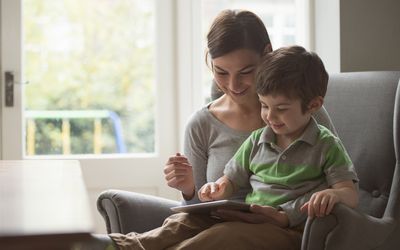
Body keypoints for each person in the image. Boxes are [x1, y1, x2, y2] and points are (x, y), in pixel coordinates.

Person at [91, 9, 338, 250]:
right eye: (221, 72)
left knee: (226, 233)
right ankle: (121, 245)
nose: (233, 85)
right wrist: (189, 189)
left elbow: (336, 185)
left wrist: (286, 214)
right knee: (183, 222)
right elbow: (198, 206)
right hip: (220, 222)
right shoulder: (202, 125)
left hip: (282, 228)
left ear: (267, 54)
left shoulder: (302, 112)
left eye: (246, 72)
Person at [198, 45, 359, 229]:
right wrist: (217, 189)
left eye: (281, 109)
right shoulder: (256, 140)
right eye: (264, 106)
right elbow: (231, 180)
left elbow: (350, 194)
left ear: (313, 105)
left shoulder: (326, 145)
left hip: (284, 229)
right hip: (246, 219)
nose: (270, 117)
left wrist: (335, 195)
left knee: (218, 238)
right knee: (180, 223)